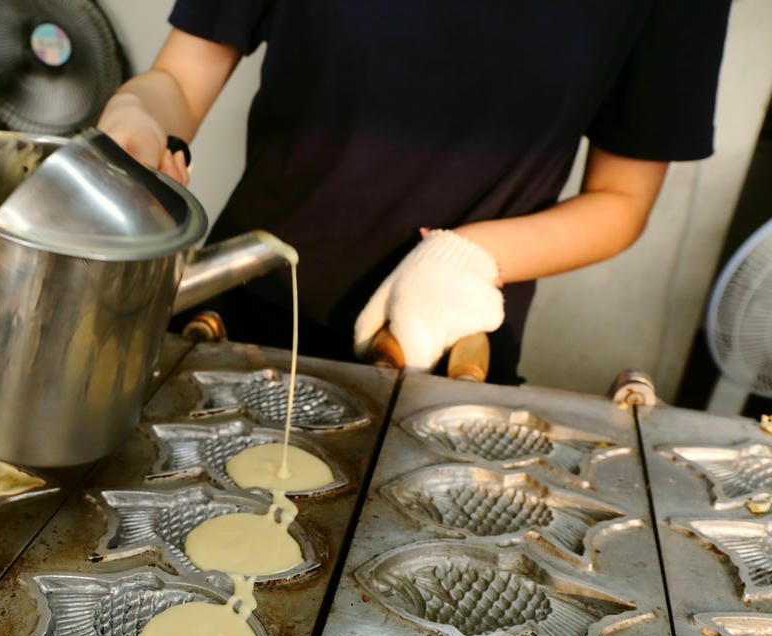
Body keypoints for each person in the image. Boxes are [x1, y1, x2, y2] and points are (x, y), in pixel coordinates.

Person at [97, 1, 732, 383]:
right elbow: (178, 80)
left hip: (447, 349)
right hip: (233, 316)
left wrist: (472, 255)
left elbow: (622, 199)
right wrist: (138, 119)